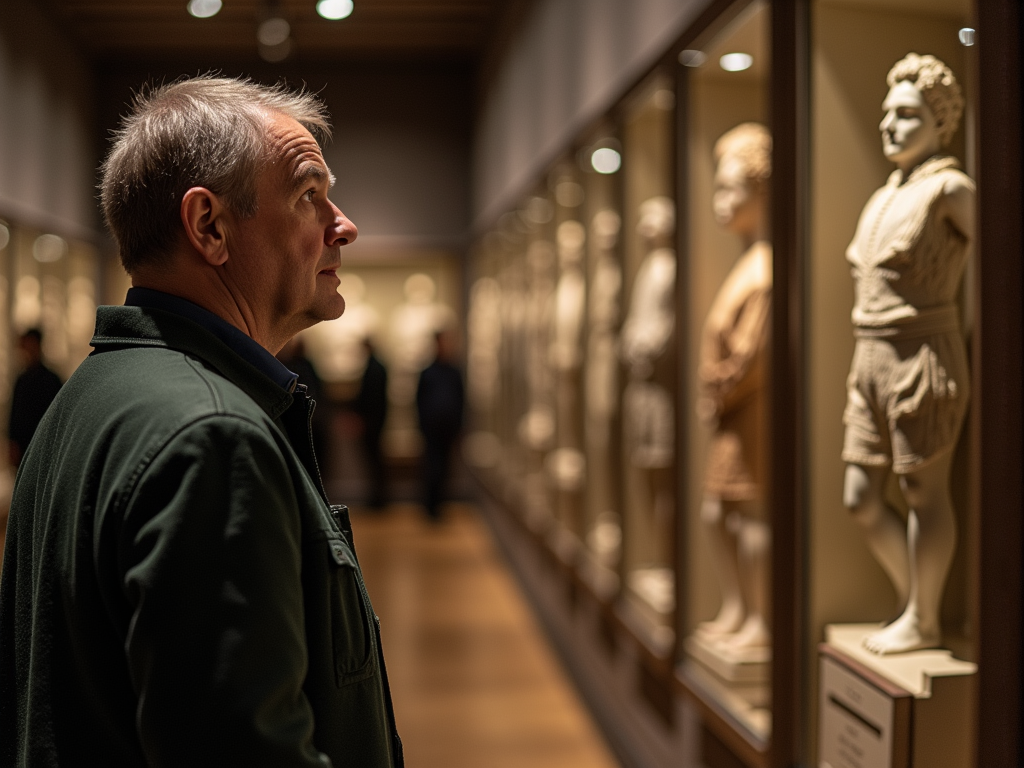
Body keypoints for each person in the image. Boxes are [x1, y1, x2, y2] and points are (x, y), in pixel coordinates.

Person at [0, 76, 403, 767]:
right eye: (309, 195)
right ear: (210, 226)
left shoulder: (95, 392)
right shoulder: (210, 436)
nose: (343, 224)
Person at [841, 54, 974, 655]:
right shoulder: (882, 196)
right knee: (861, 498)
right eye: (887, 113)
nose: (890, 125)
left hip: (922, 351)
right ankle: (916, 603)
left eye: (908, 114)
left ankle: (924, 620)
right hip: (869, 355)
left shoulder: (951, 189)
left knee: (923, 491)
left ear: (940, 122)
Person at [415, 329, 464, 521]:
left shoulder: (453, 372)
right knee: (432, 466)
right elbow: (419, 400)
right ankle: (430, 505)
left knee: (444, 467)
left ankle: (440, 505)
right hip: (431, 427)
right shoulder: (428, 372)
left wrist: (459, 425)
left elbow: (460, 400)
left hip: (448, 427)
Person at [6, 328, 62, 469]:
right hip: (24, 444)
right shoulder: (22, 380)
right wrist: (12, 443)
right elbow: (15, 414)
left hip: (44, 444)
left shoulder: (50, 380)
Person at [354, 338, 388, 508]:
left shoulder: (373, 368)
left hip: (372, 422)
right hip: (375, 421)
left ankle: (379, 499)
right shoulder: (376, 367)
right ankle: (378, 497)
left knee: (374, 461)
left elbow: (371, 399)